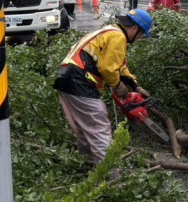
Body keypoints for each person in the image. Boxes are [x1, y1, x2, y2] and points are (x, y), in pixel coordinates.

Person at [53, 9, 152, 165]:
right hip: (79, 79)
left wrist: (135, 86)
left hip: (67, 77)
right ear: (135, 28)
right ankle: (110, 176)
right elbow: (108, 68)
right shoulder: (118, 37)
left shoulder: (111, 32)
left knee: (84, 127)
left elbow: (119, 67)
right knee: (99, 127)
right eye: (141, 35)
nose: (139, 38)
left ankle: (88, 163)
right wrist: (118, 85)